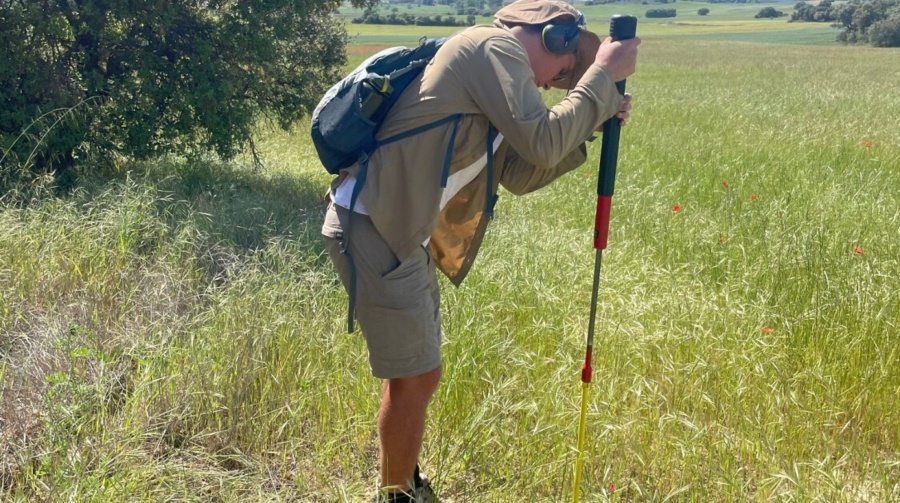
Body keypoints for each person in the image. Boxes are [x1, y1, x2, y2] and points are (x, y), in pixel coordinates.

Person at [320, 0, 640, 501]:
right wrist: (600, 80)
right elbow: (542, 142)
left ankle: (401, 481)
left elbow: (519, 173)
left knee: (416, 374)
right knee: (416, 375)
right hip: (377, 225)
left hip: (399, 231)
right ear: (553, 36)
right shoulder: (491, 46)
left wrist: (594, 121)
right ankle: (396, 495)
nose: (555, 81)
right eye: (564, 67)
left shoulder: (495, 78)